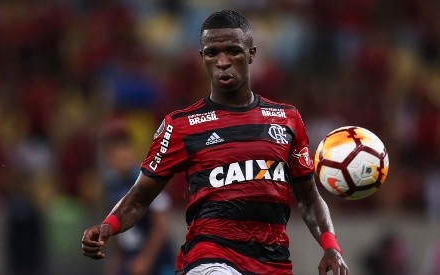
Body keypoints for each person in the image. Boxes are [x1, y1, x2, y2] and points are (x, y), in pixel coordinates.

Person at [82, 10, 349, 275]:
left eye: (232, 51)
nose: (222, 61)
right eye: (212, 53)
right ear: (203, 58)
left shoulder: (287, 119)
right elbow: (139, 199)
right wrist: (108, 227)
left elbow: (309, 200)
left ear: (251, 54)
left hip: (273, 263)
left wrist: (331, 247)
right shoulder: (181, 125)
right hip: (210, 258)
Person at [99, 119, 174, 275]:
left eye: (125, 148)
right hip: (130, 256)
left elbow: (160, 225)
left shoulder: (148, 180)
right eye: (116, 149)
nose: (122, 154)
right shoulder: (112, 185)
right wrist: (116, 259)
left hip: (156, 258)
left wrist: (145, 259)